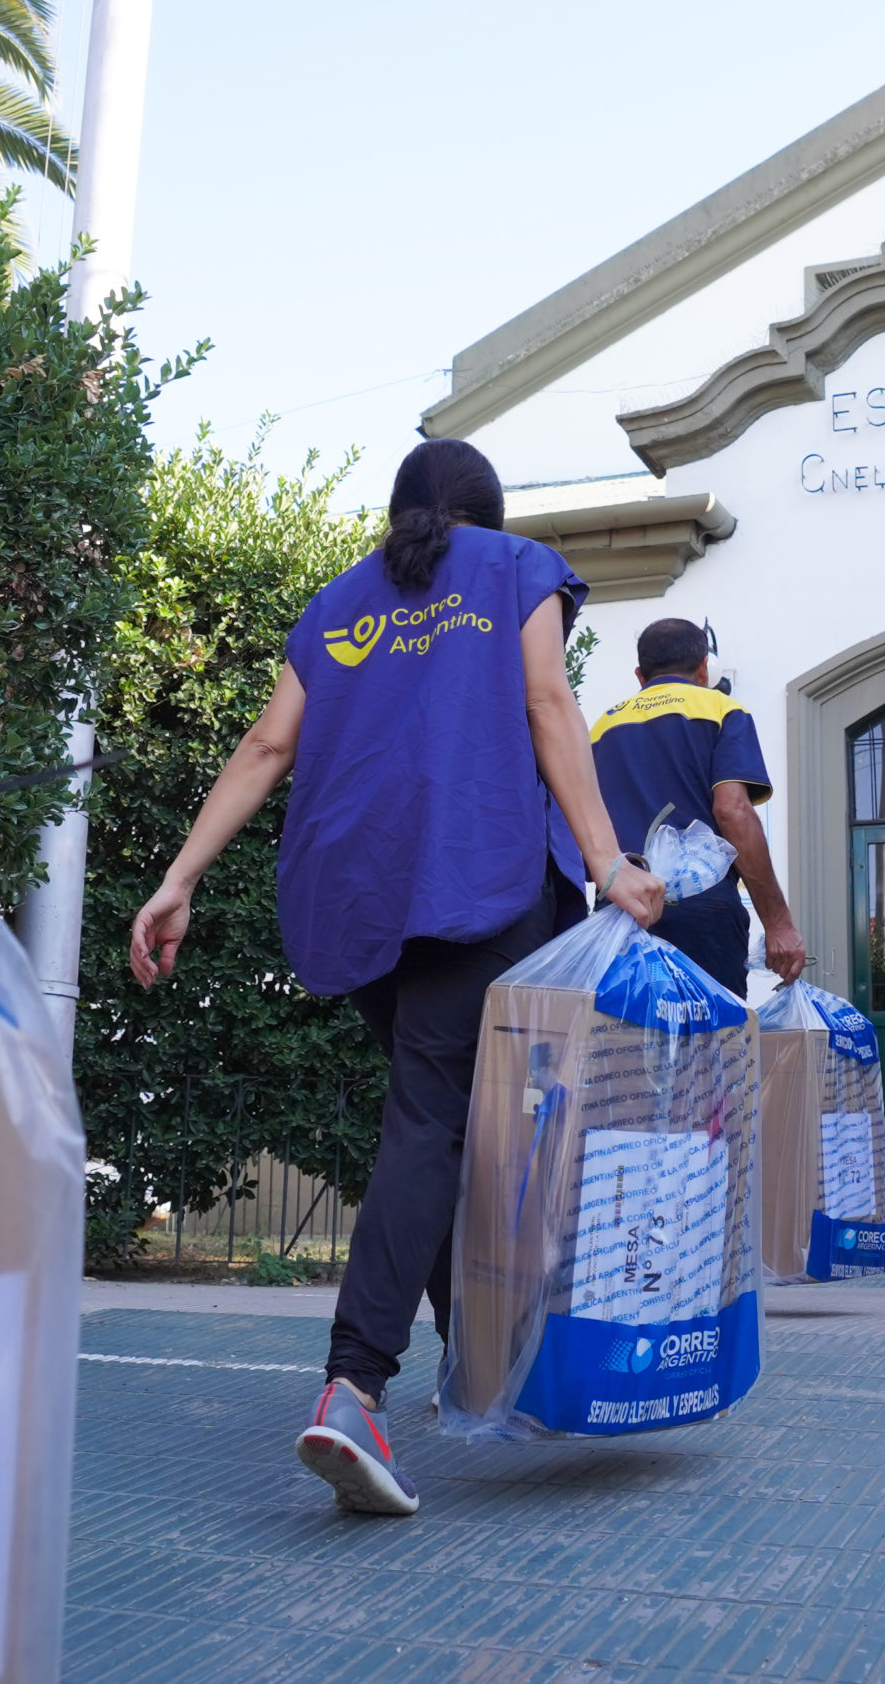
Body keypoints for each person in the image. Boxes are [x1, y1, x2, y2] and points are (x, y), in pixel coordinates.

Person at [129, 439, 666, 1518]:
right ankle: (356, 1386)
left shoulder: (336, 603)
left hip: (357, 891)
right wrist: (608, 860)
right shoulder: (514, 568)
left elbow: (266, 747)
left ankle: (475, 1357)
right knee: (434, 1121)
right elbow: (548, 703)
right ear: (486, 508)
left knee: (443, 1116)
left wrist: (178, 877)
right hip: (474, 872)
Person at [588, 618, 805, 992]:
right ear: (704, 667)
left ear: (640, 675)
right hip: (702, 909)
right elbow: (733, 810)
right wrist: (778, 922)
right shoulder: (722, 710)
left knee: (624, 1042)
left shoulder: (601, 729)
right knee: (713, 1043)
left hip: (622, 909)